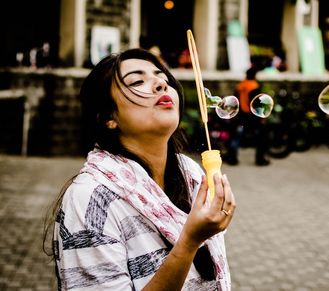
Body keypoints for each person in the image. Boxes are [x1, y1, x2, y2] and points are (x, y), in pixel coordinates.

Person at [43, 48, 236, 290]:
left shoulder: (192, 175)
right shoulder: (91, 200)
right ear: (108, 116)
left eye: (163, 78)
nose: (160, 84)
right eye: (137, 81)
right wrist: (189, 241)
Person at [224, 67, 270, 166]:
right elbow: (258, 102)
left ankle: (232, 158)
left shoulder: (240, 85)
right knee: (260, 137)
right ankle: (260, 159)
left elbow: (234, 101)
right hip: (252, 116)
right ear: (254, 76)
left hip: (240, 115)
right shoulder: (254, 86)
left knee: (236, 137)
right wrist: (262, 117)